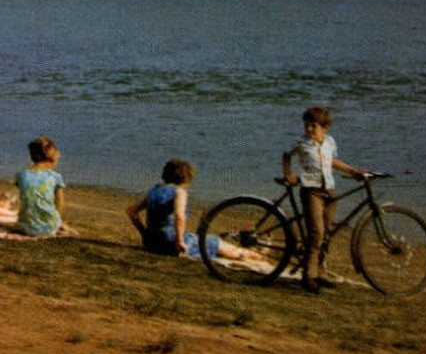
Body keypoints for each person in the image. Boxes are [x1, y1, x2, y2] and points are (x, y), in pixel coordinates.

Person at [282, 106, 366, 293]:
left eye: (313, 126)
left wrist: (353, 171)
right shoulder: (302, 143)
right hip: (311, 191)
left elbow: (332, 162)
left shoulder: (330, 142)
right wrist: (288, 175)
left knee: (326, 233)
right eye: (306, 125)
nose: (309, 129)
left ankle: (319, 272)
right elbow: (286, 155)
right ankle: (308, 276)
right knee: (317, 233)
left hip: (328, 191)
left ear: (325, 127)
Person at [127, 158, 261, 265]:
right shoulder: (179, 192)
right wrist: (179, 241)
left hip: (152, 243)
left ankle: (239, 238)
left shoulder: (154, 190)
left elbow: (131, 211)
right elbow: (179, 217)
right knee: (222, 245)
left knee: (212, 238)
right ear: (185, 179)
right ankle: (260, 259)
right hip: (171, 244)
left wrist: (144, 232)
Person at [14, 135, 67, 236]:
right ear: (52, 156)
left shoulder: (21, 175)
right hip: (50, 228)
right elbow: (60, 203)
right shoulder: (55, 177)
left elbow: (26, 197)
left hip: (25, 227)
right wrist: (57, 219)